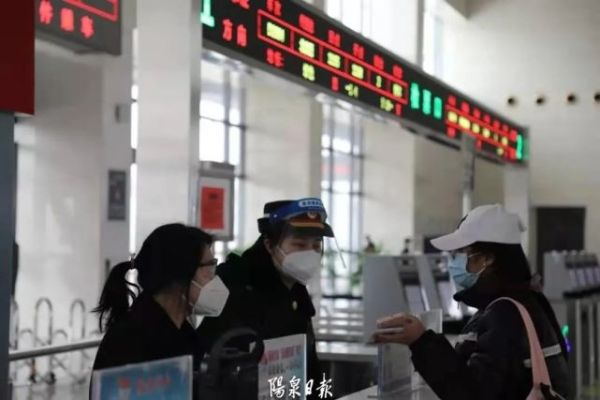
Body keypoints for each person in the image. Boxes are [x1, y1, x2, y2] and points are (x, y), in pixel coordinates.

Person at [374, 204, 570, 399]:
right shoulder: (527, 299)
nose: (454, 262)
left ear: (487, 259)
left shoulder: (504, 313)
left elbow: (473, 393)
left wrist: (421, 342)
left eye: (463, 254)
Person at [197, 198, 334, 390]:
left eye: (317, 246)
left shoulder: (296, 289)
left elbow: (309, 368)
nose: (310, 254)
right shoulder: (237, 285)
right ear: (269, 245)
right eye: (299, 245)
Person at [92, 223, 229, 373]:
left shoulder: (184, 335)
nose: (214, 278)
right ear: (180, 276)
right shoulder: (132, 341)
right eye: (210, 268)